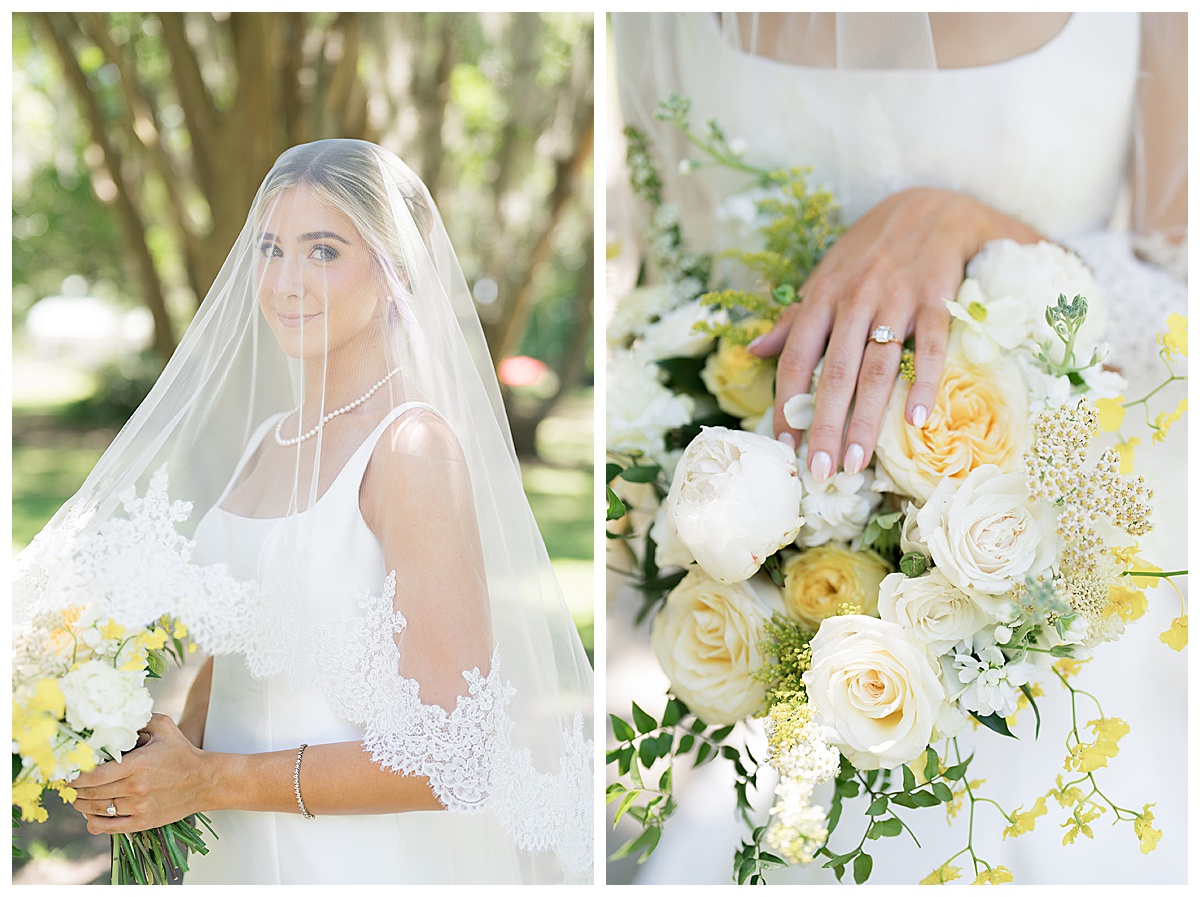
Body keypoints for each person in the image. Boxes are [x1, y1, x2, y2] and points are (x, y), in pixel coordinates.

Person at [610, 11, 1185, 885]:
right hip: (806, 680)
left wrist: (963, 227)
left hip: (1063, 654)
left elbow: (1178, 309)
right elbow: (671, 294)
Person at [15, 140, 593, 884]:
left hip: (358, 863)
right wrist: (153, 752)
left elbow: (458, 755)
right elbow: (240, 656)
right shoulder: (268, 439)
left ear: (397, 274)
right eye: (271, 248)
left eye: (323, 251)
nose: (286, 281)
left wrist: (212, 778)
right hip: (233, 851)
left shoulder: (411, 448)